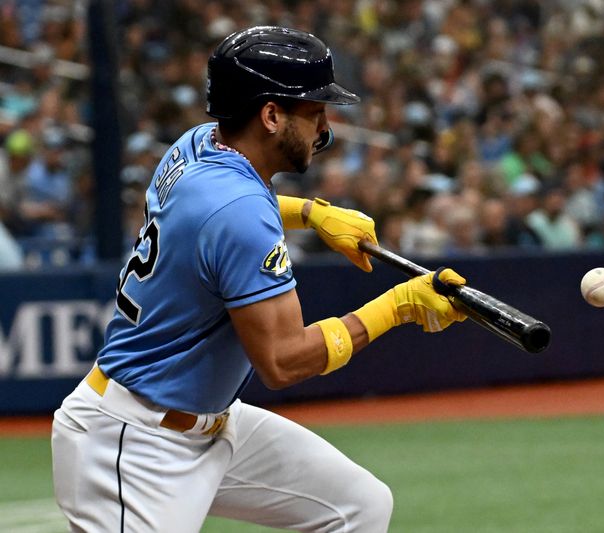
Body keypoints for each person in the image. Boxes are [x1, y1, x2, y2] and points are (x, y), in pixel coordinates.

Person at [51, 26, 467, 533]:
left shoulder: (198, 144)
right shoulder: (240, 210)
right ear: (271, 115)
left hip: (211, 423)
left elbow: (221, 218)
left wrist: (312, 213)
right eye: (314, 112)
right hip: (133, 445)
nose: (325, 129)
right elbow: (283, 360)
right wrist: (396, 308)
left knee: (359, 506)